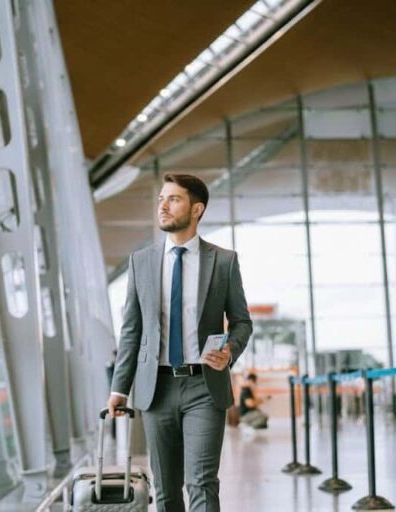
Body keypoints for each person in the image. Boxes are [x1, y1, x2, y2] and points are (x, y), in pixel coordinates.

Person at [106, 173, 253, 512]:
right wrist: (119, 389)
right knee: (167, 490)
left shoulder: (223, 261)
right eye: (161, 199)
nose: (163, 205)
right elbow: (132, 330)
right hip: (156, 389)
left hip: (205, 385)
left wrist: (230, 350)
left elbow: (242, 321)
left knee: (201, 481)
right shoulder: (140, 262)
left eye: (173, 199)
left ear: (196, 209)